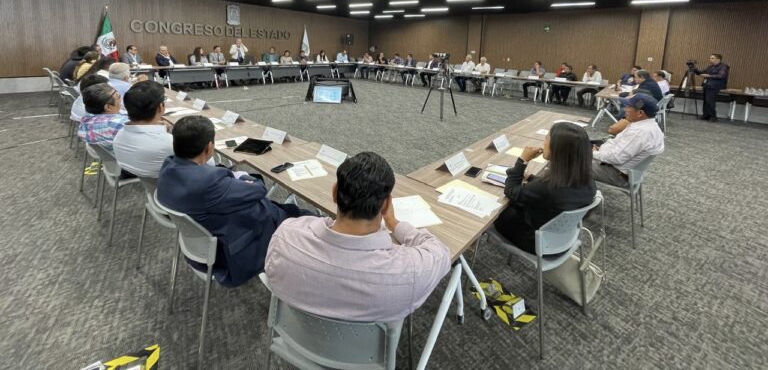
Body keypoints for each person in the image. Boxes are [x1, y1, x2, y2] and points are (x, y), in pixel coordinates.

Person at [265, 152, 451, 322]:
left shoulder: (285, 237)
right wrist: (394, 223)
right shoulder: (410, 271)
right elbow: (441, 252)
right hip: (368, 356)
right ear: (385, 206)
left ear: (334, 193)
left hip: (297, 339)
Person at [156, 115, 311, 287]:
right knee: (303, 217)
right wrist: (241, 176)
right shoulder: (210, 182)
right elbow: (258, 189)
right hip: (231, 252)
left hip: (200, 243)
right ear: (209, 147)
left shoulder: (168, 168)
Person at [493, 122, 597, 254]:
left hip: (536, 242)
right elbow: (553, 189)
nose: (544, 142)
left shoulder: (545, 187)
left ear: (558, 148)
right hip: (564, 239)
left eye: (547, 138)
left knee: (502, 210)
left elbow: (511, 191)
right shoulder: (587, 179)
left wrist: (522, 160)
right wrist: (531, 177)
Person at [592, 94, 664, 187]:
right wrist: (601, 150)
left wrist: (593, 153)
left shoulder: (639, 132)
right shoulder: (651, 127)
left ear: (640, 113)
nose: (625, 109)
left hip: (615, 174)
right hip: (620, 169)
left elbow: (616, 158)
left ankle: (581, 197)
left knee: (570, 162)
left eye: (629, 107)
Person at [77, 83, 129, 153]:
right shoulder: (119, 124)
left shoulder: (86, 119)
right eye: (118, 96)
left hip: (105, 158)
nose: (121, 99)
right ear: (108, 107)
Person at [693, 54, 729, 122]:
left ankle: (713, 116)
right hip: (707, 85)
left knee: (710, 101)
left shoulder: (723, 67)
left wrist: (709, 76)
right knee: (706, 101)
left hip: (714, 86)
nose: (710, 59)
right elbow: (702, 72)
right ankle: (706, 115)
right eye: (710, 58)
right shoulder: (710, 67)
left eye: (712, 58)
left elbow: (721, 76)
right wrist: (695, 70)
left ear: (718, 59)